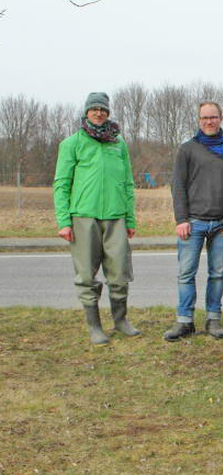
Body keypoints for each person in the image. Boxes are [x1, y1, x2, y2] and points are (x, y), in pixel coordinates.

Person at [53, 92, 139, 345]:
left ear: (108, 113)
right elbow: (61, 184)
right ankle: (95, 326)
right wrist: (64, 221)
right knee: (87, 276)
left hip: (116, 217)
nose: (99, 113)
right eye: (94, 109)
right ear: (86, 112)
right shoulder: (72, 143)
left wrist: (130, 219)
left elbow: (127, 183)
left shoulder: (118, 144)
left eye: (103, 109)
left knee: (119, 273)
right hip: (83, 217)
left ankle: (121, 320)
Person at [164, 101, 223, 342]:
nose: (209, 121)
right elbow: (178, 186)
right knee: (186, 273)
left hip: (221, 224)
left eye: (213, 117)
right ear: (199, 120)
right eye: (204, 118)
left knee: (217, 274)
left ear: (221, 119)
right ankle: (185, 320)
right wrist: (181, 218)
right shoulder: (187, 150)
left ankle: (213, 318)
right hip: (193, 222)